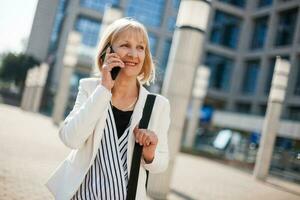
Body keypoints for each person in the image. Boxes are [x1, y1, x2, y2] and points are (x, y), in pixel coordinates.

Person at [46, 17, 171, 200]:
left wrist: (150, 153)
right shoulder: (90, 88)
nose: (133, 54)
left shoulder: (158, 105)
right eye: (125, 45)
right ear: (108, 52)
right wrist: (103, 89)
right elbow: (70, 138)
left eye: (140, 47)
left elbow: (162, 163)